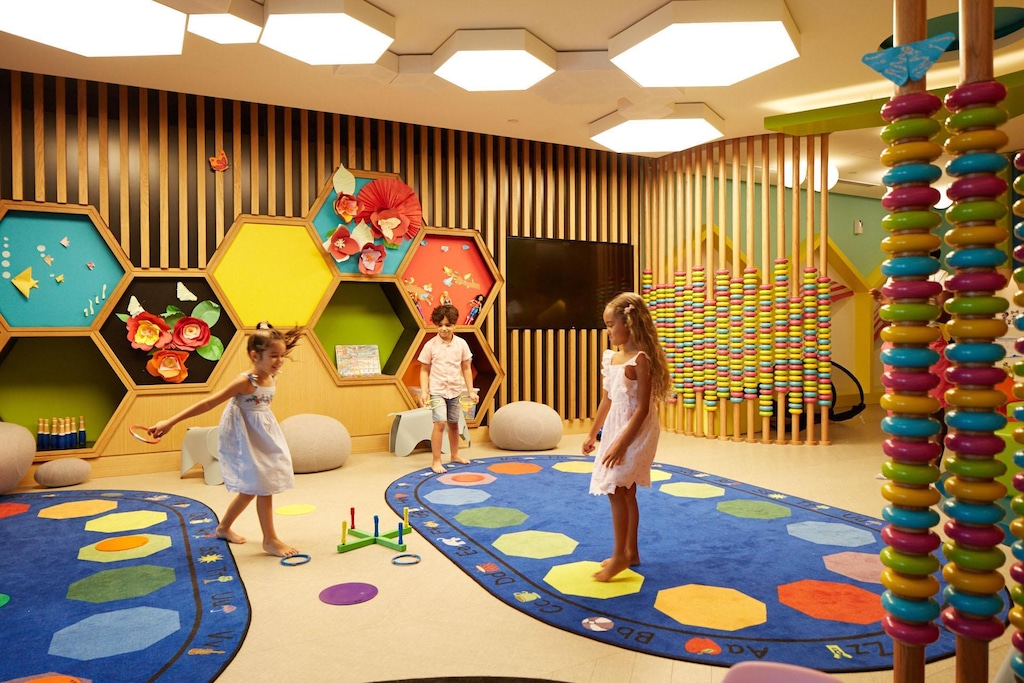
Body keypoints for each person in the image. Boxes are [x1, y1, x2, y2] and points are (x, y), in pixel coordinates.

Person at [148, 322, 303, 558]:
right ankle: (270, 539)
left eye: (282, 355)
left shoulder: (272, 375)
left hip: (263, 433)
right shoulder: (245, 381)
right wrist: (170, 421)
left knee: (254, 488)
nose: (280, 361)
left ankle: (223, 528)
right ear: (255, 355)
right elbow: (208, 403)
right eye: (274, 355)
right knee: (263, 485)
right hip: (244, 435)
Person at [583, 292, 671, 582]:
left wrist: (622, 444)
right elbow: (607, 399)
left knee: (617, 489)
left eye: (611, 325)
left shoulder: (640, 360)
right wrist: (593, 433)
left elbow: (643, 409)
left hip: (636, 430)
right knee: (625, 490)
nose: (608, 331)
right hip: (615, 427)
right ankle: (631, 552)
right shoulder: (612, 358)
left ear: (629, 324)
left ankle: (620, 555)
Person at [419, 303, 477, 474]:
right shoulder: (430, 345)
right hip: (437, 390)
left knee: (454, 423)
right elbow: (424, 369)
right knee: (440, 423)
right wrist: (424, 391)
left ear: (454, 325)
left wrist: (470, 391)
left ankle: (455, 455)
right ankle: (436, 460)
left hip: (455, 390)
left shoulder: (461, 344)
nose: (444, 329)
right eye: (440, 325)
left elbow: (466, 368)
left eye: (448, 325)